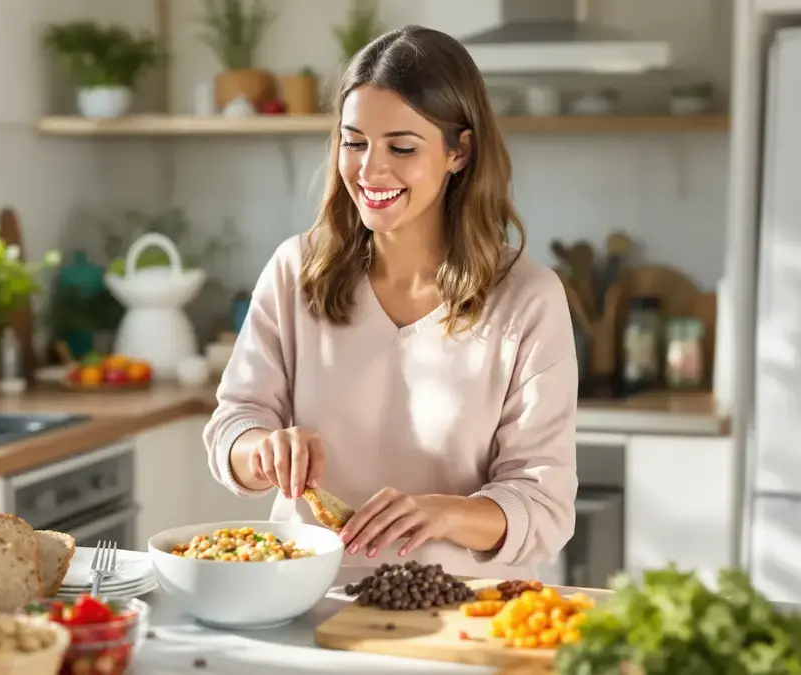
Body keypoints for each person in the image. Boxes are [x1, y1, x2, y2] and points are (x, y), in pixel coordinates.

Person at [202, 25, 578, 579]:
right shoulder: (296, 269)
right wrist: (262, 450)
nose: (370, 170)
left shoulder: (528, 298)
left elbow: (543, 504)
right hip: (301, 596)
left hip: (453, 615)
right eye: (354, 143)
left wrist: (440, 514)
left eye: (401, 147)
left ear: (459, 151)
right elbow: (234, 422)